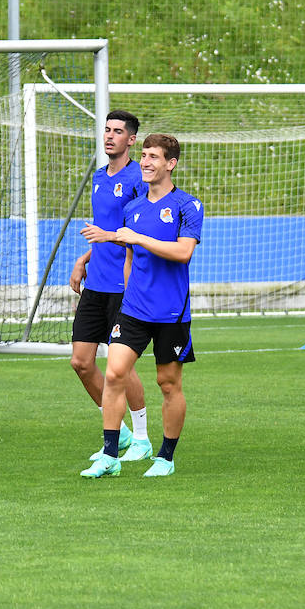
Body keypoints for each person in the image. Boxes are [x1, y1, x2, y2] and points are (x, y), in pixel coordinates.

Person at [80, 133, 202, 478]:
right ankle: (110, 455)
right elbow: (130, 259)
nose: (145, 162)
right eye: (144, 155)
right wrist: (128, 294)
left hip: (171, 312)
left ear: (171, 164)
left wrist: (137, 238)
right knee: (114, 373)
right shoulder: (132, 208)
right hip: (133, 309)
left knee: (168, 384)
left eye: (153, 157)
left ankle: (165, 457)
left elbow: (183, 252)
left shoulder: (188, 206)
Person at [70, 111, 153, 461]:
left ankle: (143, 438)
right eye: (107, 130)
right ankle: (119, 433)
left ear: (131, 140)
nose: (109, 136)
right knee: (81, 362)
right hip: (97, 284)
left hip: (124, 286)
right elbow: (103, 228)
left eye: (117, 131)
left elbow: (143, 233)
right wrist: (84, 258)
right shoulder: (99, 177)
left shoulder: (138, 179)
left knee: (122, 367)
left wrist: (108, 237)